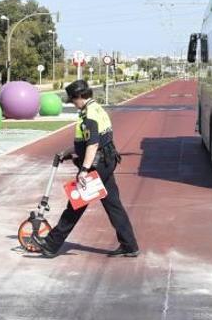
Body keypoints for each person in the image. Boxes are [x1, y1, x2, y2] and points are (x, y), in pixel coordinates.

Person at [32, 80, 140, 258]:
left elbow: (92, 144)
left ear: (81, 97)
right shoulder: (96, 108)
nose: (73, 103)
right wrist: (68, 152)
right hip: (107, 160)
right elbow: (88, 141)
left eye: (73, 99)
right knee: (113, 205)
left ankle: (51, 245)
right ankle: (129, 245)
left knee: (76, 204)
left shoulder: (89, 115)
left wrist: (84, 170)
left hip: (97, 164)